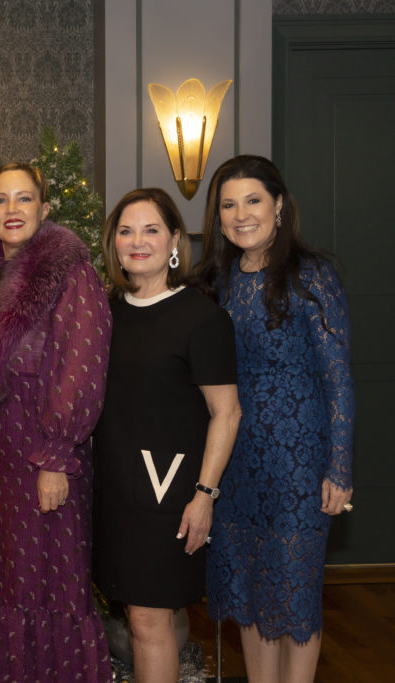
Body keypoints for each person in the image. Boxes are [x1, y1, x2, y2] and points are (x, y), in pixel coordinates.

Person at [0, 163, 112, 682]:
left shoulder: (70, 273)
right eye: (1, 200)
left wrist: (57, 457)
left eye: (24, 199)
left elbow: (82, 369)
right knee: (8, 584)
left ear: (45, 209)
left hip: (45, 458)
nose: (12, 210)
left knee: (51, 586)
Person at [197, 155, 354, 683]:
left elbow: (338, 379)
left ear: (279, 205)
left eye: (253, 200)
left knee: (295, 598)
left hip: (299, 467)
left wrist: (339, 466)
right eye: (228, 204)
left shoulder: (312, 276)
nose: (241, 214)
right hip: (235, 464)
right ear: (217, 217)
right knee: (249, 595)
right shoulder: (217, 281)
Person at [93, 188, 241, 682]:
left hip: (169, 491)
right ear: (114, 243)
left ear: (175, 240)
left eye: (151, 230)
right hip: (114, 490)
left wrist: (205, 495)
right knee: (137, 619)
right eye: (127, 231)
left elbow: (227, 413)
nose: (138, 242)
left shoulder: (202, 317)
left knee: (148, 617)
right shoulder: (103, 315)